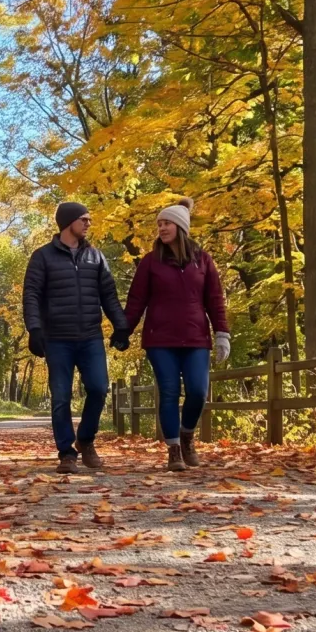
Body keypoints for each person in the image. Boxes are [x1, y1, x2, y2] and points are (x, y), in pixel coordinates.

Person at [119, 197, 229, 471]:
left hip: (195, 338)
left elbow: (215, 300)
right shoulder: (150, 262)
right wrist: (124, 331)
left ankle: (187, 435)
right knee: (169, 392)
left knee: (198, 392)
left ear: (180, 227)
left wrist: (222, 334)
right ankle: (174, 450)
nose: (162, 228)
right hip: (160, 339)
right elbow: (136, 301)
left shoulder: (203, 261)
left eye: (166, 223)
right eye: (159, 223)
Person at [23, 201, 129, 474]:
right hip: (57, 339)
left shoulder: (96, 257)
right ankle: (66, 453)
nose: (88, 223)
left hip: (90, 337)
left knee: (98, 388)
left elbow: (109, 296)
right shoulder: (42, 257)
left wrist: (121, 327)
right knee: (60, 397)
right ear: (68, 221)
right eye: (83, 218)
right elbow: (31, 295)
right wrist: (34, 329)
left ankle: (86, 440)